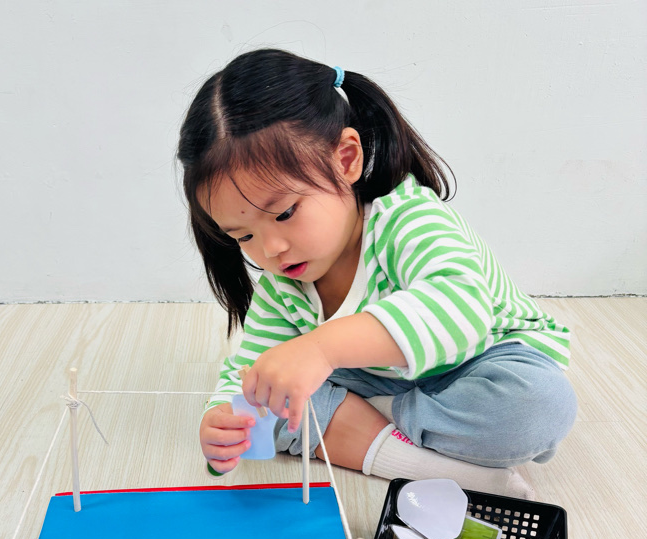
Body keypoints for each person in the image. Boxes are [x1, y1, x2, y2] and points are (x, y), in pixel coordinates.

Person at [177, 49, 577, 497]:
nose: (271, 249)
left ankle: (367, 418)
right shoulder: (283, 284)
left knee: (538, 408)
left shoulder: (408, 218)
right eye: (244, 236)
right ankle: (424, 465)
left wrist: (320, 350)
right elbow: (253, 369)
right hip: (375, 376)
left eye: (285, 213)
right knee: (272, 409)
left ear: (346, 159)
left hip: (480, 360)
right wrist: (224, 419)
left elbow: (461, 311)